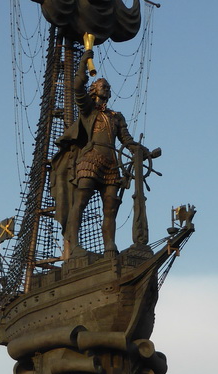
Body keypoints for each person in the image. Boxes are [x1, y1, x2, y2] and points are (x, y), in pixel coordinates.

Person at [51, 51, 150, 254]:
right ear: (94, 90)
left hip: (111, 164)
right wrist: (83, 64)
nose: (107, 88)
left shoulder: (116, 116)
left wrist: (141, 151)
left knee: (111, 208)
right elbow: (77, 87)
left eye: (107, 86)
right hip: (90, 160)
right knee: (81, 201)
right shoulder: (89, 110)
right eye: (103, 85)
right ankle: (75, 245)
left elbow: (127, 141)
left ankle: (109, 247)